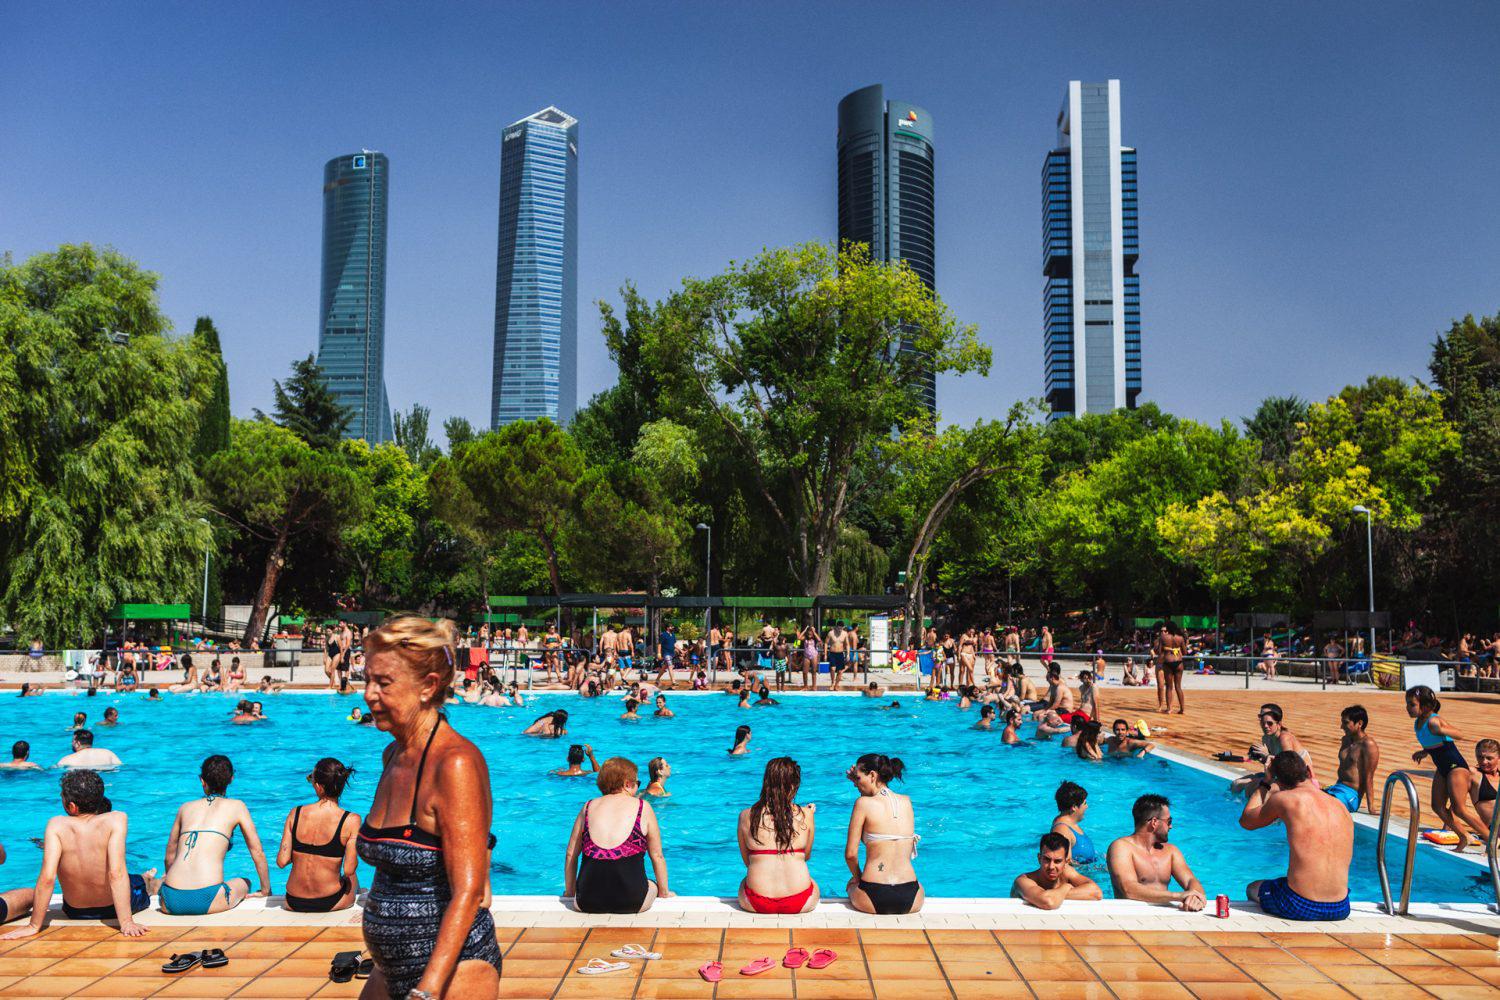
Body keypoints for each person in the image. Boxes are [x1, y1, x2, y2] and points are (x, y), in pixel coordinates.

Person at [356, 616, 502, 1000]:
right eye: (367, 679)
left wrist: (427, 990)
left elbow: (469, 892)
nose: (369, 694)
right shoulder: (393, 754)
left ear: (428, 686)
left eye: (383, 683)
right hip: (389, 972)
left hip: (454, 972)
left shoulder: (455, 763)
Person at [0, 770, 157, 938]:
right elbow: (116, 873)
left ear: (71, 806)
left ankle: (145, 878)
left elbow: (47, 878)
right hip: (112, 908)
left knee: (133, 879)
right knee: (139, 883)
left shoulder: (56, 825)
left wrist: (33, 925)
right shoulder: (116, 819)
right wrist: (126, 922)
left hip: (74, 911)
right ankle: (149, 880)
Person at [1241, 751, 1352, 920]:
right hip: (1340, 906)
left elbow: (1247, 821)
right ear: (1307, 771)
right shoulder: (1340, 806)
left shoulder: (1284, 799)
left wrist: (1265, 781)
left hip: (1300, 904)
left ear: (1279, 781)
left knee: (1253, 888)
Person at [159, 754, 270, 915]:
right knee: (245, 882)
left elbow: (169, 856)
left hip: (170, 899)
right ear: (231, 779)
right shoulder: (237, 806)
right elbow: (257, 852)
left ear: (202, 780)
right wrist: (266, 890)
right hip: (207, 898)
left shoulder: (185, 808)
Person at [564, 757, 672, 913]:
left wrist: (570, 893)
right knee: (652, 885)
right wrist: (664, 893)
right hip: (632, 902)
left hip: (586, 901)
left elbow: (570, 854)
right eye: (637, 784)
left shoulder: (588, 807)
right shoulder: (643, 807)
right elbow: (657, 855)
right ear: (627, 784)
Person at [1407, 685, 1488, 849]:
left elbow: (1459, 734)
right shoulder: (1419, 722)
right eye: (1408, 704)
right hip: (1443, 767)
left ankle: (1491, 840)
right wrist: (1425, 751)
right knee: (1437, 806)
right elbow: (1437, 743)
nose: (1407, 708)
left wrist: (1442, 729)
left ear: (1425, 706)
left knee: (1459, 809)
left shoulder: (1434, 721)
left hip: (1456, 767)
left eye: (1411, 704)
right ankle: (1464, 836)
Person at [276, 758, 360, 912]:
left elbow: (282, 861)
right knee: (352, 877)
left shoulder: (296, 813)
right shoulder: (351, 820)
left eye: (311, 780)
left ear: (319, 787)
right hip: (330, 901)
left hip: (293, 901)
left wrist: (303, 854)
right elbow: (349, 869)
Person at [737, 757, 819, 914]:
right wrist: (808, 814)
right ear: (794, 785)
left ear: (766, 782)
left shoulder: (745, 816)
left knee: (743, 882)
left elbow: (747, 862)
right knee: (813, 883)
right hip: (800, 901)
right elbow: (806, 856)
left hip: (756, 902)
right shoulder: (807, 814)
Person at [844, 753, 923, 914]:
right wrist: (860, 781)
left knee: (851, 884)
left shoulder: (862, 804)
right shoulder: (906, 801)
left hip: (873, 894)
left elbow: (851, 855)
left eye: (857, 779)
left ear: (872, 775)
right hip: (912, 896)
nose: (855, 784)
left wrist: (858, 878)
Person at [1106, 794, 1206, 911]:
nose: (1171, 826)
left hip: (1165, 916)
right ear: (1154, 822)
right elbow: (1128, 888)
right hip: (1133, 916)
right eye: (1169, 821)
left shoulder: (1171, 851)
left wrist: (1195, 897)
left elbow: (1191, 880)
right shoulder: (1121, 847)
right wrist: (1177, 896)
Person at [1230, 704, 1310, 796]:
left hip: (1297, 782)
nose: (1265, 726)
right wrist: (1262, 759)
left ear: (1279, 723)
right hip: (1281, 778)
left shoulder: (1284, 738)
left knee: (1249, 789)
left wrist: (1267, 755)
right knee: (1236, 784)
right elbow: (1274, 767)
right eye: (1261, 718)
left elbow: (1289, 769)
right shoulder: (1266, 738)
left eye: (1270, 723)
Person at [1012, 832, 1102, 909]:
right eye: (1047, 859)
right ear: (1039, 859)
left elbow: (1096, 892)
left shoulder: (1067, 873)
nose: (1051, 866)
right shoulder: (1023, 881)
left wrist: (1057, 895)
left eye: (1057, 861)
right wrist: (1065, 887)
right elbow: (1048, 902)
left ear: (1066, 862)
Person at [1326, 705, 1380, 813]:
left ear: (1359, 723)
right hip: (1336, 789)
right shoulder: (1345, 740)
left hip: (1351, 795)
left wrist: (1371, 807)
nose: (1341, 727)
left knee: (1324, 805)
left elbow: (1369, 777)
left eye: (1345, 723)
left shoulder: (1368, 745)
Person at [1050, 782, 1097, 865]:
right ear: (1074, 807)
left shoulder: (1069, 824)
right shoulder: (1062, 830)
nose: (1087, 806)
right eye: (1084, 803)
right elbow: (1064, 865)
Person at [57, 730, 121, 770]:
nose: (71, 743)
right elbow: (121, 767)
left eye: (72, 741)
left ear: (78, 743)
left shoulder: (67, 759)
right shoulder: (108, 753)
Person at [1472, 738, 1499, 829]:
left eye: (1489, 758)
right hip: (1495, 829)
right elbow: (1457, 803)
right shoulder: (1473, 774)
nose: (1484, 762)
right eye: (1480, 757)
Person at [1159, 622, 1186, 714]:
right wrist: (1176, 649)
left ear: (1168, 629)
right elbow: (1185, 652)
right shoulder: (1180, 638)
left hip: (1168, 662)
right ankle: (1182, 709)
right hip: (1179, 662)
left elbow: (1159, 651)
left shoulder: (1163, 637)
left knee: (1169, 687)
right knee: (1178, 686)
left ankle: (1169, 708)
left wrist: (1167, 649)